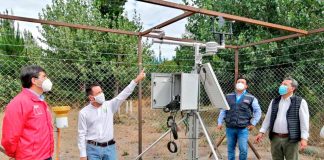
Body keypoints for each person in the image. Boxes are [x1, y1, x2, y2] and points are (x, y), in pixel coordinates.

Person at [78, 70, 145, 160]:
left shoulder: (110, 105)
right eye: (98, 93)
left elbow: (124, 94)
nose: (102, 94)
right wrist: (83, 155)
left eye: (101, 91)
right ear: (91, 97)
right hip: (92, 150)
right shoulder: (84, 113)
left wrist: (136, 80)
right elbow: (81, 134)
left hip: (110, 149)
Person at [1, 65, 54, 160]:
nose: (47, 79)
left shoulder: (41, 100)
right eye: (44, 76)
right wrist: (15, 154)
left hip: (46, 155)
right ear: (34, 80)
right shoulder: (19, 103)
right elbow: (10, 136)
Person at [255, 77, 309, 160]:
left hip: (290, 139)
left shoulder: (300, 102)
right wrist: (261, 132)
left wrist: (304, 138)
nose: (281, 86)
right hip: (275, 138)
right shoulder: (274, 101)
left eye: (285, 84)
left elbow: (304, 122)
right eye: (281, 84)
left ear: (292, 88)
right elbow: (268, 118)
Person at [217, 76, 262, 160]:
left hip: (243, 129)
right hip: (230, 128)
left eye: (242, 82)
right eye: (238, 82)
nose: (240, 83)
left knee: (243, 150)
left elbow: (258, 111)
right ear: (235, 84)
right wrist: (219, 122)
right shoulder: (228, 96)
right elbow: (223, 110)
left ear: (246, 86)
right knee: (230, 150)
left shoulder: (251, 98)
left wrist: (253, 123)